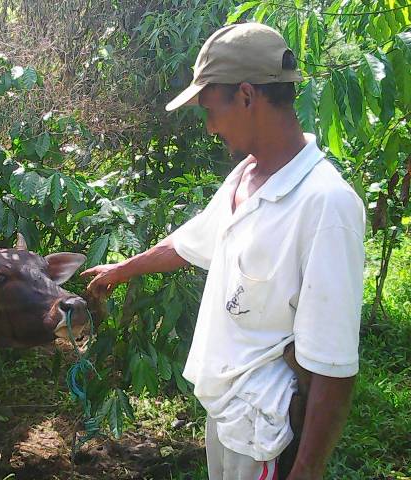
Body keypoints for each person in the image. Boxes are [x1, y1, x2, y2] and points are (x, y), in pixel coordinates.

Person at [81, 23, 365, 480]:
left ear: (248, 96)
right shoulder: (245, 179)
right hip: (228, 415)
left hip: (269, 436)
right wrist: (123, 269)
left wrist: (306, 471)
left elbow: (333, 367)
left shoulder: (326, 205)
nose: (210, 126)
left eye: (210, 110)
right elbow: (191, 240)